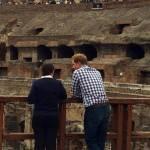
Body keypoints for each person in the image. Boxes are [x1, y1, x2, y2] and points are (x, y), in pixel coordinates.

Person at [72, 53, 110, 150]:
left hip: (93, 108)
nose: (73, 67)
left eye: (73, 64)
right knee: (100, 139)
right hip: (106, 107)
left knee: (90, 139)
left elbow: (75, 93)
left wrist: (82, 95)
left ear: (78, 63)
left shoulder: (77, 72)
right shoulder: (96, 71)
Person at [27, 63, 67, 150]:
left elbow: (30, 99)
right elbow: (64, 96)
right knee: (51, 143)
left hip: (39, 115)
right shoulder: (57, 83)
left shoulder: (36, 83)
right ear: (52, 72)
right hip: (53, 116)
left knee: (39, 143)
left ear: (42, 72)